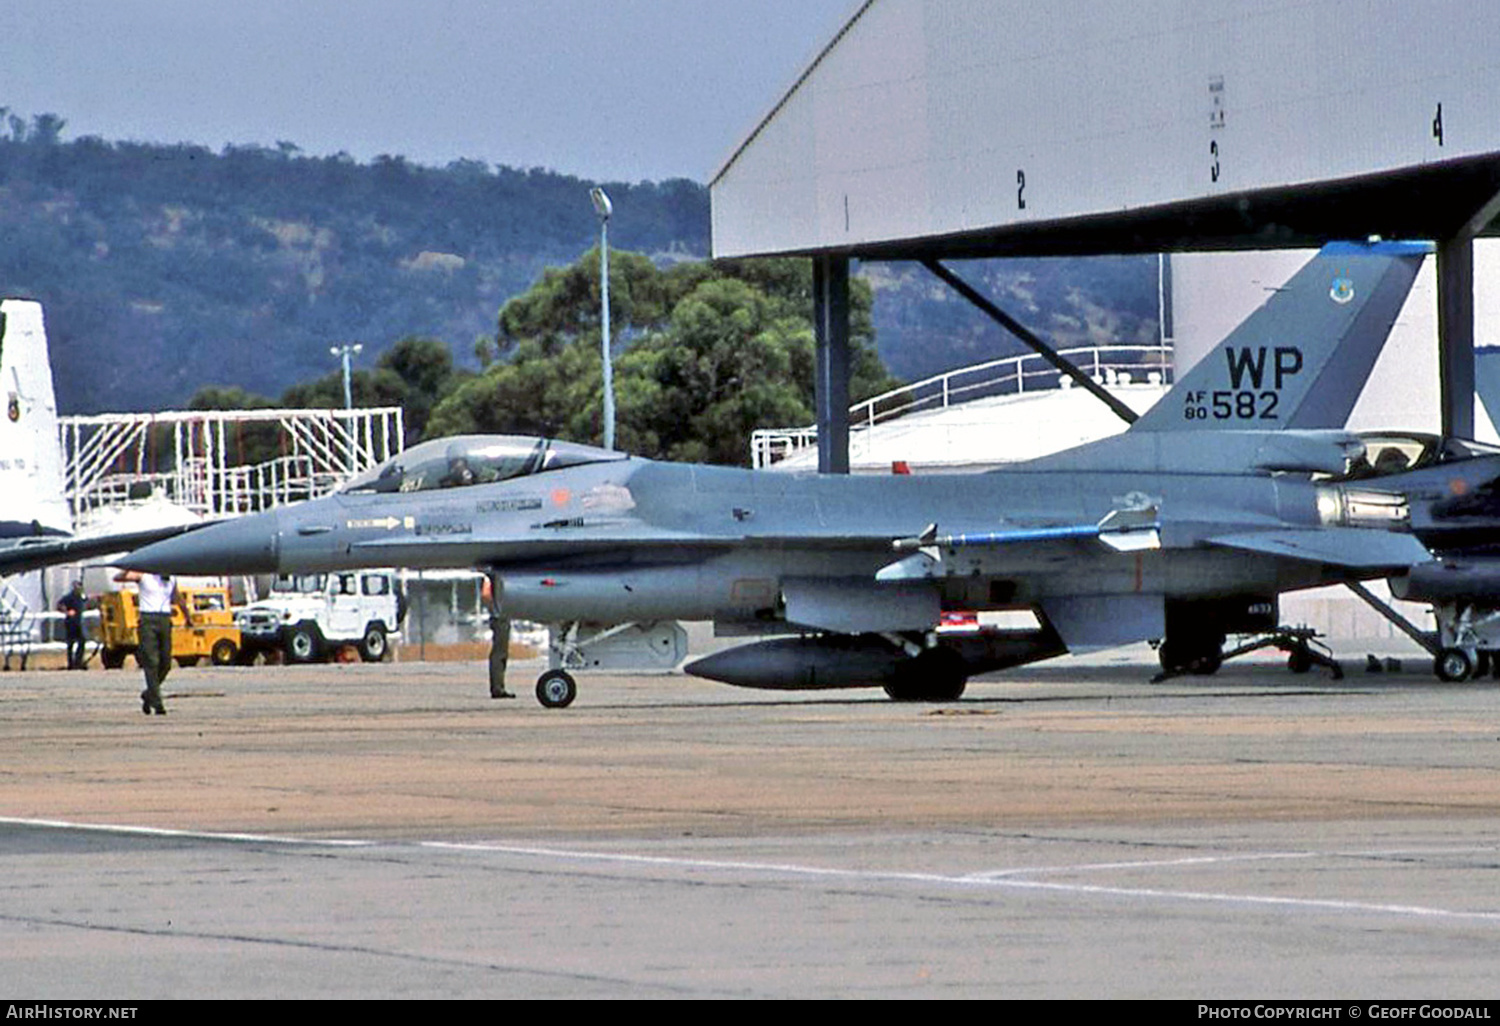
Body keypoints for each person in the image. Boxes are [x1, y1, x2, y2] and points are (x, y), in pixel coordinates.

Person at [114, 570, 188, 715]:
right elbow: (118, 578)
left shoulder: (171, 578)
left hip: (165, 619)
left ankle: (149, 694)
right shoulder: (143, 575)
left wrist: (187, 616)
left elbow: (177, 597)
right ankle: (157, 703)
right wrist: (129, 566)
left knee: (165, 663)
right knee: (151, 661)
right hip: (148, 619)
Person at [56, 580, 88, 670]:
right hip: (70, 622)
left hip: (78, 622)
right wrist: (67, 612)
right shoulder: (69, 597)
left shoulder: (81, 597)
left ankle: (78, 662)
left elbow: (87, 600)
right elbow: (59, 604)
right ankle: (71, 663)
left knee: (82, 641)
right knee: (71, 643)